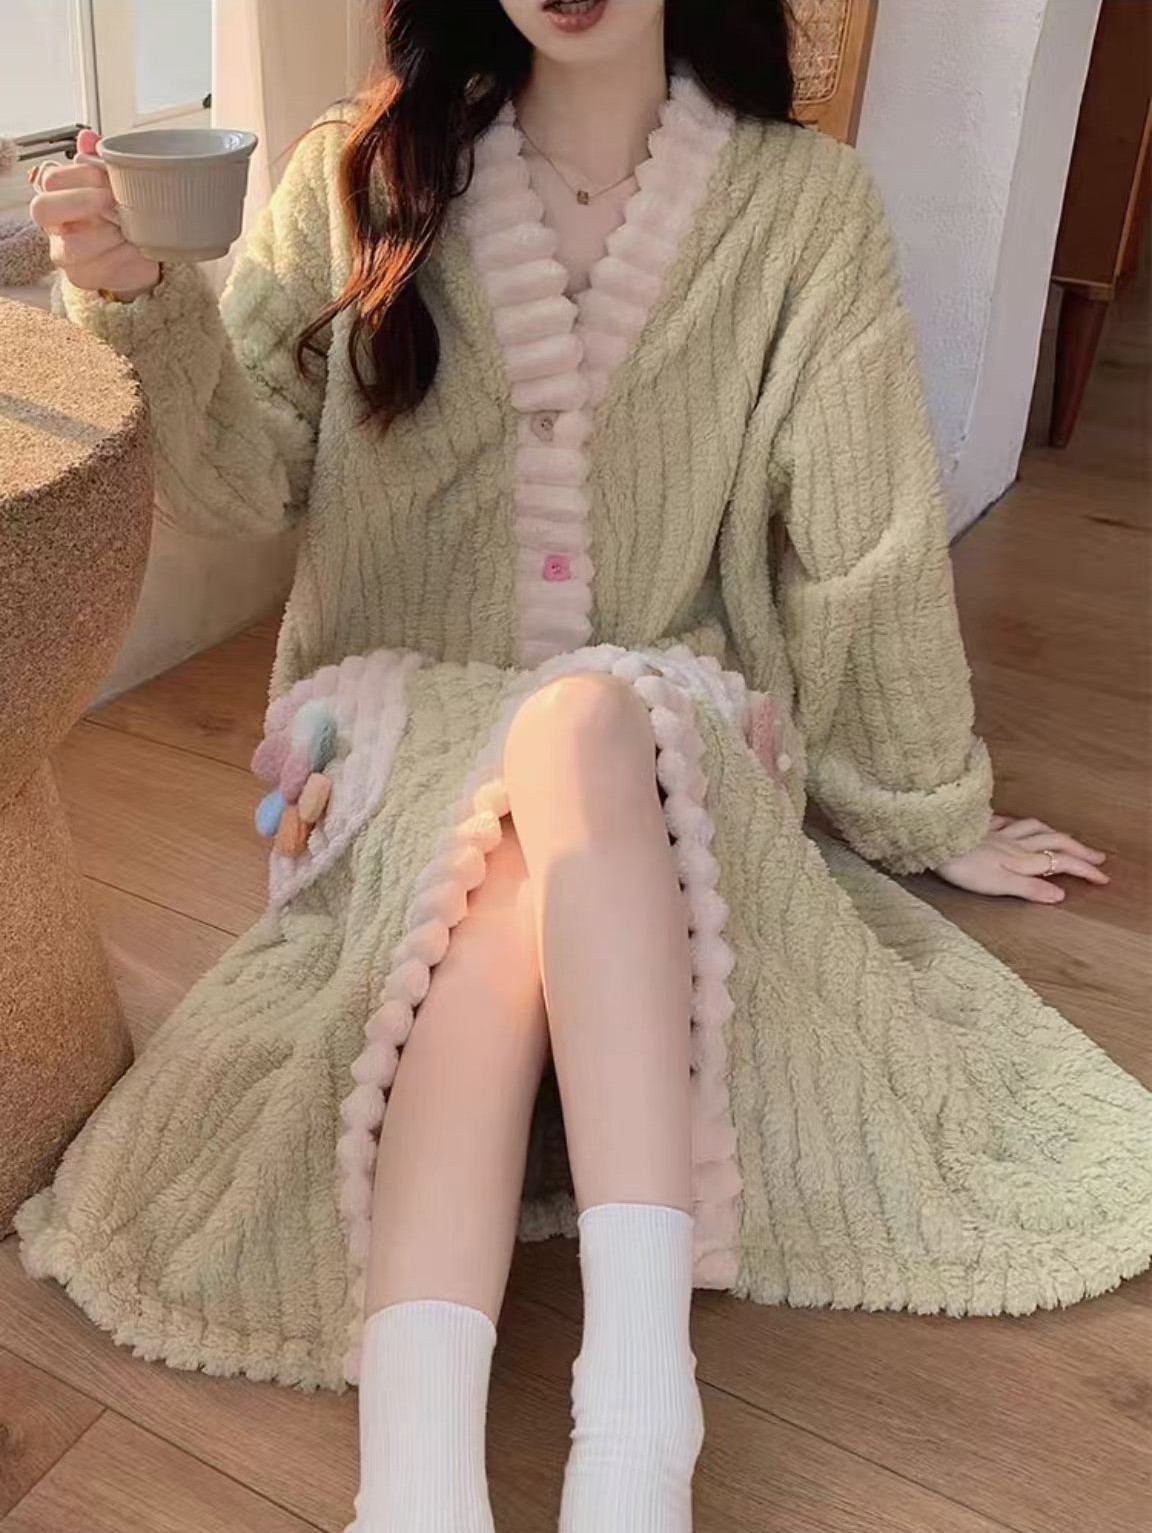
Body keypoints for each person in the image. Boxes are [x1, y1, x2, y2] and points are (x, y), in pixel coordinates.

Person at [22, 2, 1152, 1530]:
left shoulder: (801, 209)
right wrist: (135, 295)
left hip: (655, 728)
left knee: (578, 723)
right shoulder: (357, 172)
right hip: (396, 727)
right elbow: (243, 476)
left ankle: (461, 1481)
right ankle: (610, 1444)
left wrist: (928, 802)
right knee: (527, 792)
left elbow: (865, 538)